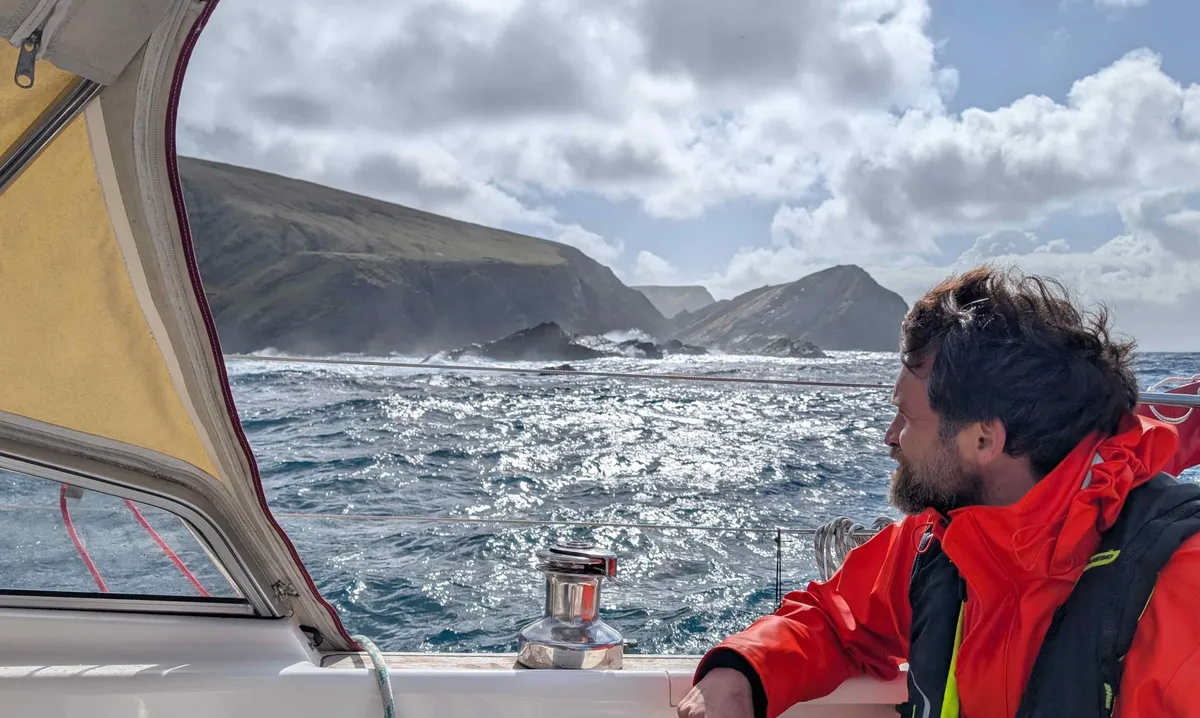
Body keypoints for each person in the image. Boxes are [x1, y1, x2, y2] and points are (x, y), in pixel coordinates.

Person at [677, 266, 1200, 718]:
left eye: (906, 417)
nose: (890, 437)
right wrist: (742, 672)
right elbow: (837, 619)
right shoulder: (941, 541)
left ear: (983, 440)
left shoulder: (1179, 587)